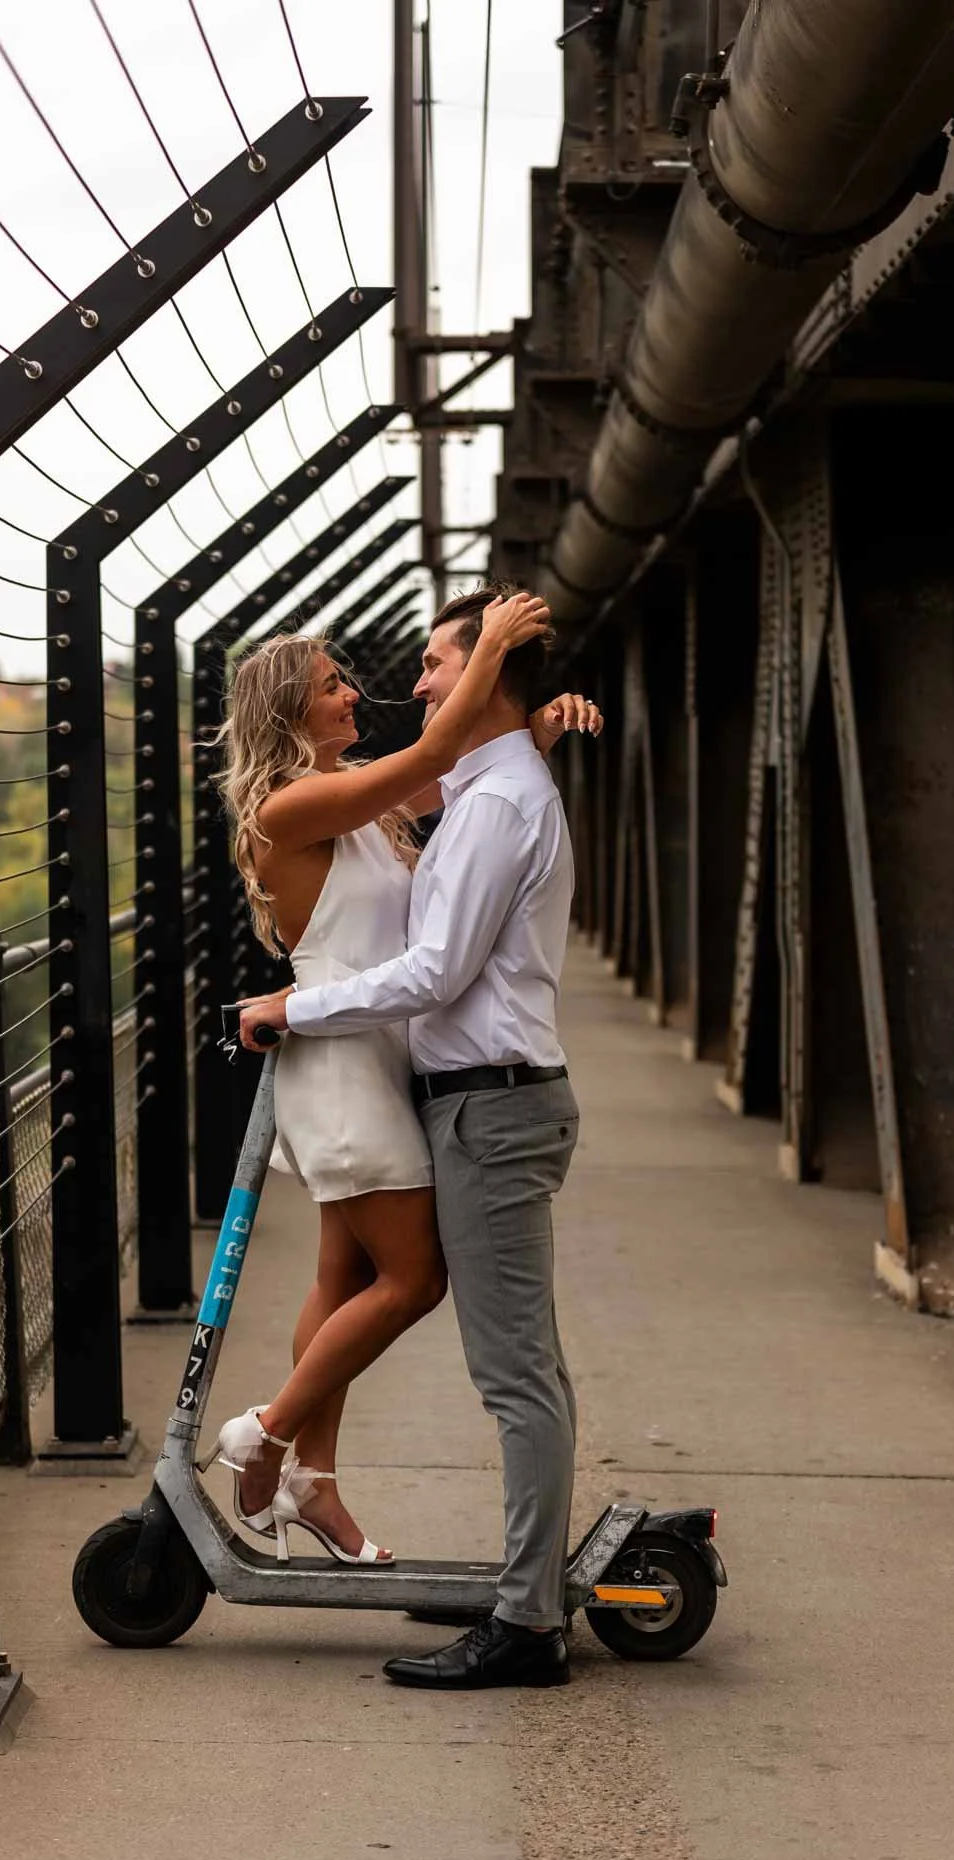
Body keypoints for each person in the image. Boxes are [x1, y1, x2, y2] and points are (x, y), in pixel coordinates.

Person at [239, 585, 593, 1690]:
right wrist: (497, 672)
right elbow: (447, 761)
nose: (382, 689)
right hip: (364, 1063)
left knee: (385, 1286)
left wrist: (520, 717)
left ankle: (291, 1456)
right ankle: (282, 1449)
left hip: (420, 1068)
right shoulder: (306, 805)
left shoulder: (432, 801)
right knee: (396, 1281)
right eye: (338, 683)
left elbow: (458, 784)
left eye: (428, 663)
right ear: (293, 710)